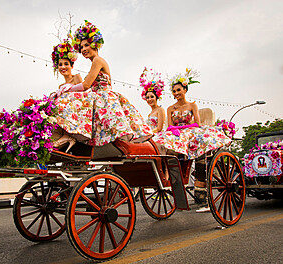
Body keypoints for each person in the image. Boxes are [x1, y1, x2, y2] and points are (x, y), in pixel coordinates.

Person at [54, 20, 152, 148]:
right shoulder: (94, 62)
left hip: (104, 97)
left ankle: (68, 134)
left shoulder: (97, 60)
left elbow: (86, 85)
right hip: (97, 97)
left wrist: (68, 90)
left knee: (65, 99)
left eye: (87, 45)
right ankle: (67, 134)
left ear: (95, 44)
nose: (83, 49)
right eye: (82, 47)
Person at [153, 68, 232, 212]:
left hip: (191, 132)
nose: (176, 94)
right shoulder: (171, 108)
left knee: (199, 147)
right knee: (162, 145)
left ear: (185, 89)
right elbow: (170, 125)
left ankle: (202, 195)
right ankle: (170, 184)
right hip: (177, 134)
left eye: (178, 90)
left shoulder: (192, 105)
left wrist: (186, 128)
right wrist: (175, 130)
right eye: (174, 91)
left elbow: (198, 123)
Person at [50, 39, 83, 152]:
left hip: (76, 111)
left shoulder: (76, 77)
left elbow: (82, 96)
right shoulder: (61, 85)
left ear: (72, 66)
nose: (63, 67)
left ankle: (69, 136)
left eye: (66, 64)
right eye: (60, 65)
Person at [140, 67, 166, 134]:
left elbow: (159, 128)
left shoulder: (160, 109)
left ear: (156, 97)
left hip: (158, 135)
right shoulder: (149, 114)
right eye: (147, 97)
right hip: (150, 135)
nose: (149, 99)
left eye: (152, 97)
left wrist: (148, 133)